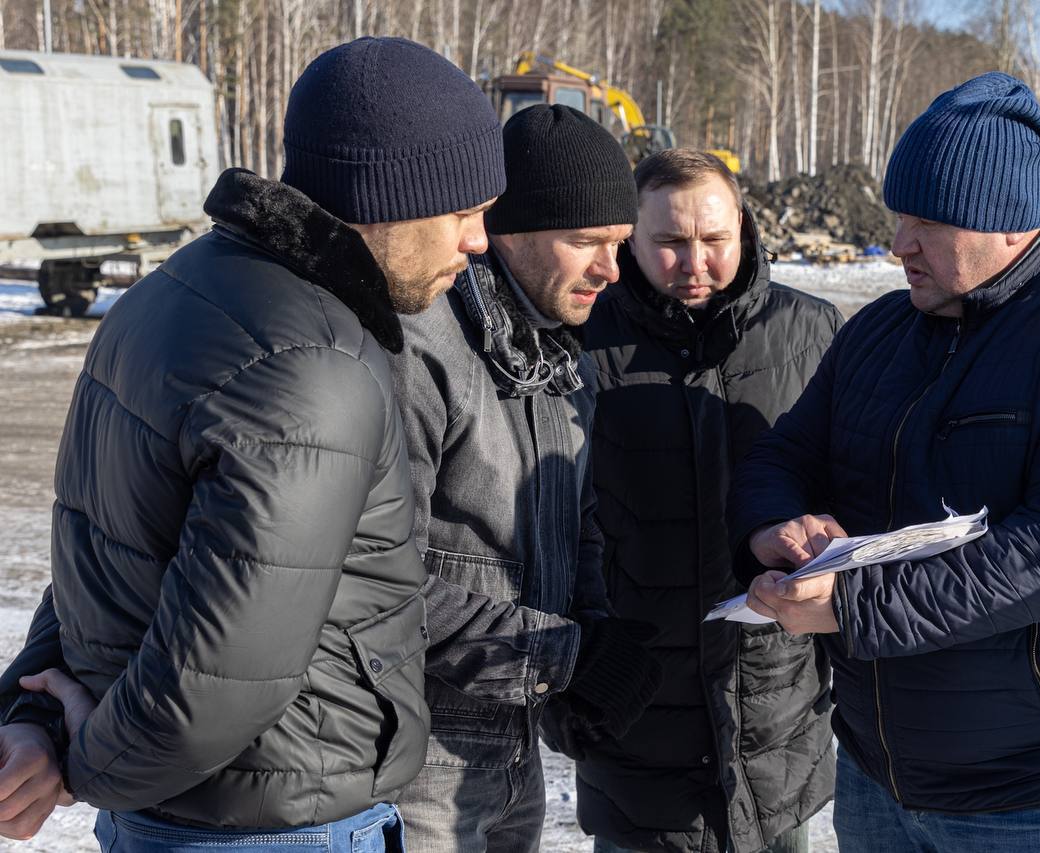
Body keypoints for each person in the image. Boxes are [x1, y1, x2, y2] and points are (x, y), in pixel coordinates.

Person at [0, 37, 507, 850]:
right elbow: (217, 685)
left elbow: (103, 553)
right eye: (464, 213)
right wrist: (82, 761)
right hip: (273, 825)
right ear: (388, 196)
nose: (478, 242)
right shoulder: (312, 367)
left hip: (174, 813)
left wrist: (37, 714)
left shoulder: (170, 292)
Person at [730, 72, 1040, 852]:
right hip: (877, 776)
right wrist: (777, 525)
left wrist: (855, 606)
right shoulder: (879, 331)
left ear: (1009, 223)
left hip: (1036, 798)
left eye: (928, 222)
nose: (899, 242)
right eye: (899, 215)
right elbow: (786, 451)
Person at [388, 103, 663, 852]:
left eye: (619, 243)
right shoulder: (421, 347)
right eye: (587, 242)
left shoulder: (557, 355)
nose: (612, 269)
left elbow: (580, 526)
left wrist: (592, 639)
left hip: (513, 745)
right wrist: (560, 655)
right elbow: (374, 579)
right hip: (418, 761)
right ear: (509, 227)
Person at [555, 149, 841, 853]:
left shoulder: (814, 332)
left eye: (714, 240)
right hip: (637, 719)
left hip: (776, 713)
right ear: (631, 239)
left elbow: (849, 496)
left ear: (741, 225)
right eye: (670, 244)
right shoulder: (579, 343)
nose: (695, 263)